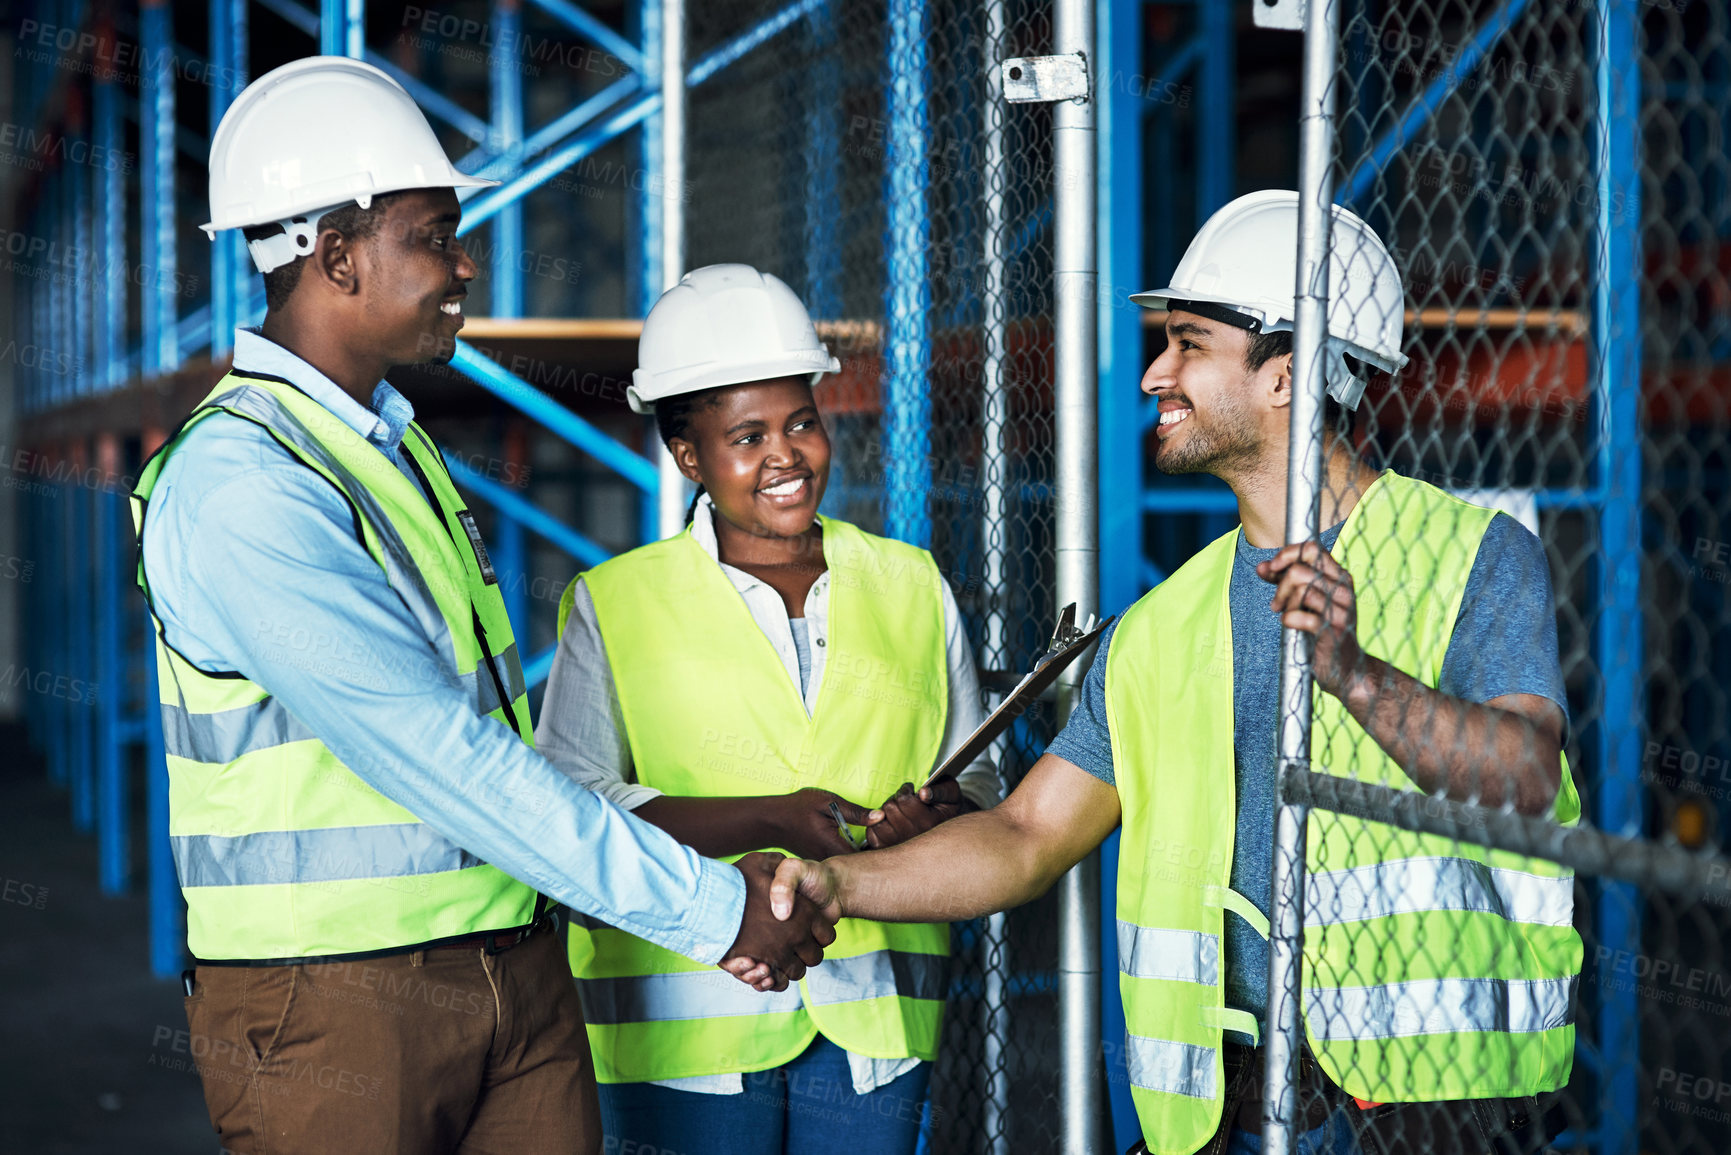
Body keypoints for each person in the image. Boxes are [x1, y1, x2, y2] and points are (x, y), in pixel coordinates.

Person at [770, 191, 1583, 1155]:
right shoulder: (1160, 627)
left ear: (1286, 371)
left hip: (1422, 1119)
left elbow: (1526, 778)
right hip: (1217, 1120)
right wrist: (838, 883)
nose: (1157, 370)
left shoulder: (1471, 554)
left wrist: (1353, 674)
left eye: (1189, 342)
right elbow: (1027, 833)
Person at [132, 59, 831, 1155]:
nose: (466, 265)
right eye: (436, 237)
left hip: (515, 960)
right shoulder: (245, 485)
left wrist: (743, 834)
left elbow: (496, 748)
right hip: (333, 1009)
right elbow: (439, 756)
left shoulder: (389, 446)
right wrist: (706, 907)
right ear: (336, 254)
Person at [535, 262, 1002, 1155]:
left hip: (874, 1021)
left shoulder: (909, 584)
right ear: (688, 455)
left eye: (800, 423)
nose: (785, 456)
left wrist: (934, 815)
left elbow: (975, 775)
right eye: (746, 436)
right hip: (686, 1028)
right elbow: (571, 806)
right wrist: (767, 815)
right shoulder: (617, 600)